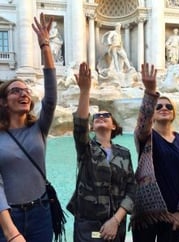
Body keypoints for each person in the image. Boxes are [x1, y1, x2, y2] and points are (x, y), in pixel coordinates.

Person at [0, 13, 57, 242]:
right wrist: (10, 231)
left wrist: (45, 47)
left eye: (26, 91)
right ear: (3, 102)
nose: (23, 93)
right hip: (9, 216)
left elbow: (51, 99)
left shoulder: (39, 129)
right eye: (15, 90)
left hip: (41, 212)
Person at [66, 62, 136, 242]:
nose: (101, 117)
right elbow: (80, 126)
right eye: (97, 117)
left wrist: (116, 219)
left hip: (116, 224)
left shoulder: (124, 153)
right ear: (92, 126)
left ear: (114, 126)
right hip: (88, 225)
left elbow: (132, 189)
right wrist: (85, 92)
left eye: (106, 116)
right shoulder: (86, 149)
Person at [131, 63, 179, 242]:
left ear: (173, 113)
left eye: (168, 107)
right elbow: (143, 122)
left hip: (175, 214)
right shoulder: (145, 136)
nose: (163, 109)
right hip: (147, 212)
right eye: (159, 106)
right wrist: (150, 92)